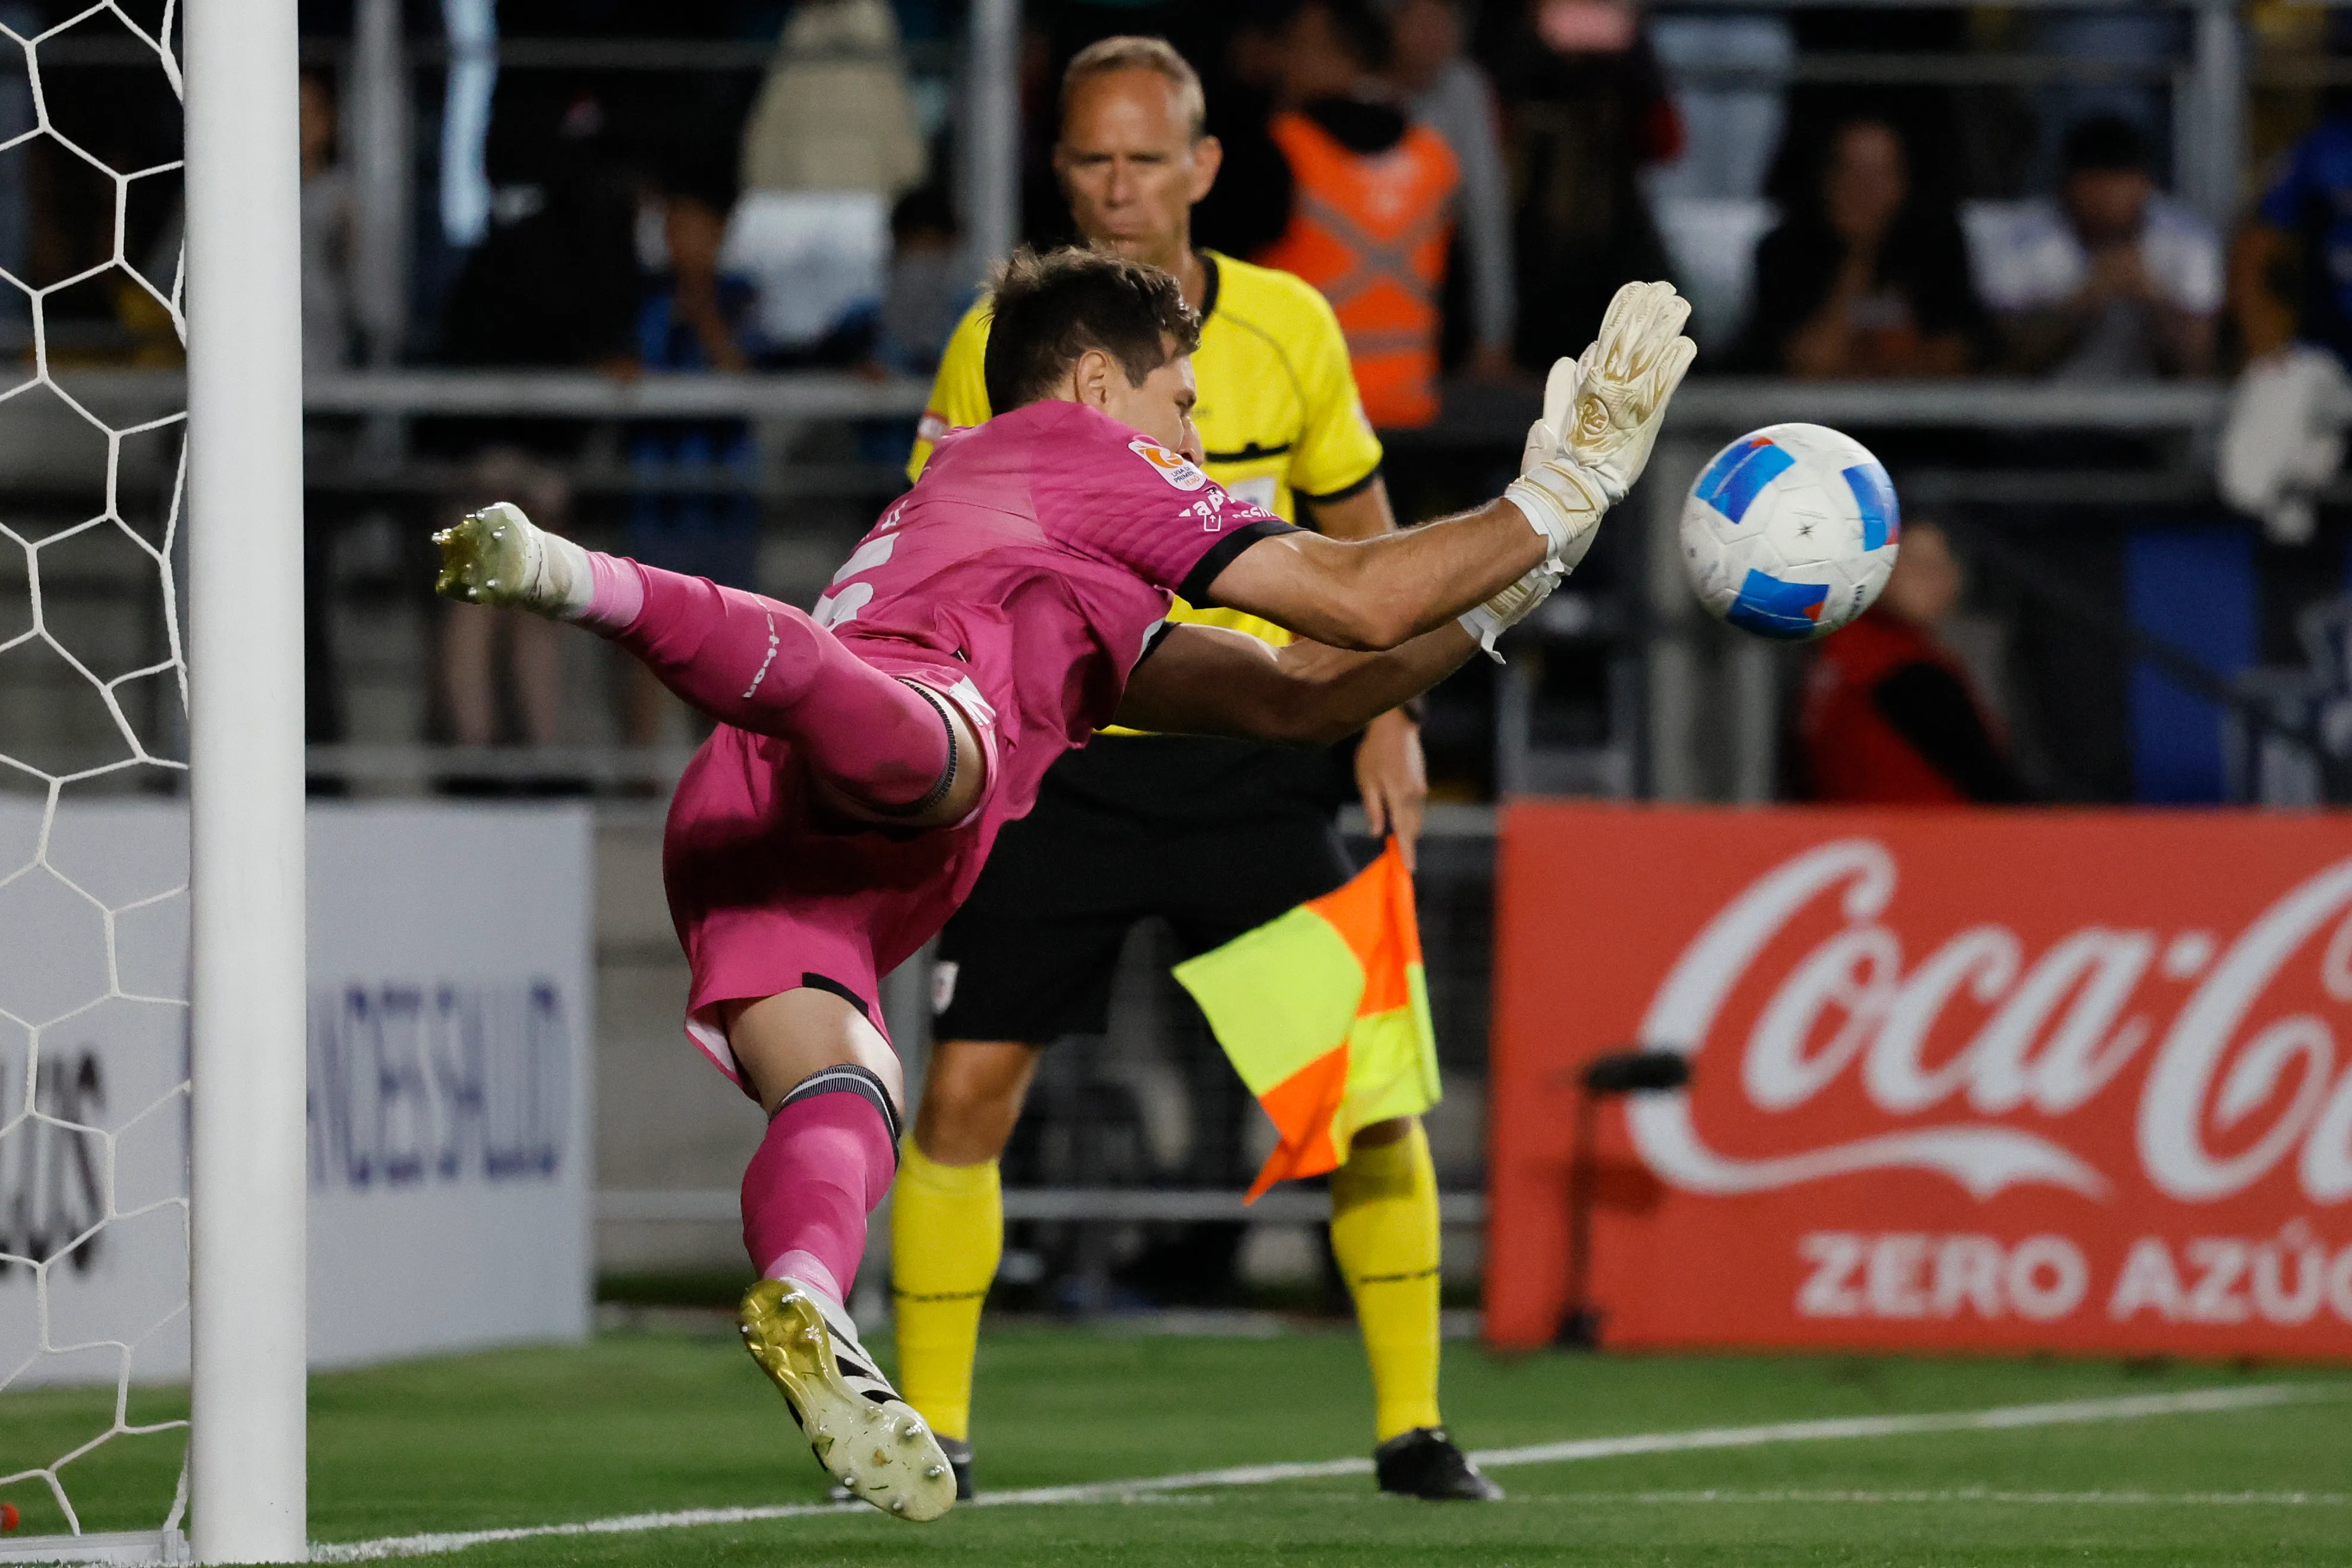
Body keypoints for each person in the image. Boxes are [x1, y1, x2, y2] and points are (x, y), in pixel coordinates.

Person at [433, 250, 1695, 1521]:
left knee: (846, 1088)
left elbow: (1292, 695)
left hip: (744, 825)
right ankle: (580, 576)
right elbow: (1349, 601)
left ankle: (808, 1293)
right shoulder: (1072, 448)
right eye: (1182, 403)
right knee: (939, 750)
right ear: (1098, 383)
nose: (1194, 438)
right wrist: (1559, 490)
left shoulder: (1042, 552)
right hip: (883, 744)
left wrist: (1515, 580)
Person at [900, 36, 1474, 1503]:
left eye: (1144, 158)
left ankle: (1411, 1430)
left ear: (1203, 170)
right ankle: (925, 1437)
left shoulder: (1290, 327)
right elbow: (942, 542)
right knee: (963, 1095)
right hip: (1065, 763)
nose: (1115, 187)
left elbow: (1356, 517)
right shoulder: (997, 338)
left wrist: (1386, 715)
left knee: (1358, 1099)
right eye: (1090, 158)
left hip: (1249, 759)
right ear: (1060, 169)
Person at [1248, 0, 1462, 430]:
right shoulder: (1434, 157)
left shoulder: (1279, 151)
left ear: (1331, 50)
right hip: (1411, 415)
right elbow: (1459, 303)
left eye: (1295, 46)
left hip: (1305, 414)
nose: (1282, 62)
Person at [622, 185, 764, 747]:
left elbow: (744, 370)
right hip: (658, 501)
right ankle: (640, 781)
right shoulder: (644, 299)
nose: (682, 243)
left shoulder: (742, 298)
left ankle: (724, 774)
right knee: (645, 645)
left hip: (723, 502)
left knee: (726, 651)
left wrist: (704, 313)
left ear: (720, 234)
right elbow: (626, 365)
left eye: (694, 229)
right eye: (672, 229)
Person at [1798, 521, 2029, 803]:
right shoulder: (1892, 663)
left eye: (1943, 564)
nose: (1934, 578)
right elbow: (1989, 779)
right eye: (1915, 563)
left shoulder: (1841, 649)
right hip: (1915, 836)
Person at [1736, 116, 1982, 378]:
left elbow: (1953, 357)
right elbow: (1812, 363)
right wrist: (1858, 257)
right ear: (1824, 178)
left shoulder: (1939, 247)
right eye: (1847, 170)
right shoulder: (1783, 252)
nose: (1862, 189)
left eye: (1880, 174)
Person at [1977, 115, 2218, 380]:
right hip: (2044, 415)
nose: (2109, 200)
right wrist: (2089, 295)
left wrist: (2150, 296)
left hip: (2153, 417)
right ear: (2067, 186)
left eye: (2120, 184)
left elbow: (2196, 366)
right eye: (2095, 185)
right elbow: (2008, 363)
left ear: (2145, 184)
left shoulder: (2188, 238)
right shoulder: (2019, 238)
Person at [1388, 0, 1516, 378]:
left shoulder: (1464, 89)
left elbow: (1486, 215)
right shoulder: (1352, 80)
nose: (1436, 32)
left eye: (1447, 18)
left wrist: (1494, 337)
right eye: (1422, 16)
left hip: (1438, 294)